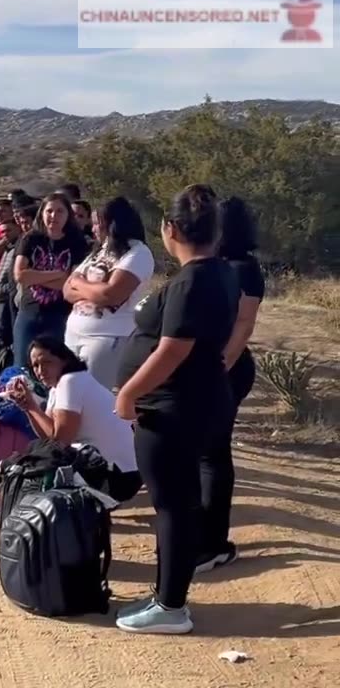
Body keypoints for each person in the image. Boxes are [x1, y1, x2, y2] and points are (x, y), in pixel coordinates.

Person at [114, 184, 239, 635]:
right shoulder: (220, 273)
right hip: (197, 400)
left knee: (172, 507)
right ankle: (168, 596)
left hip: (173, 408)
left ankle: (170, 606)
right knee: (179, 504)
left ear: (169, 229)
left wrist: (127, 393)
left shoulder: (191, 281)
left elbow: (171, 351)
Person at [200, 196, 265, 574]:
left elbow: (244, 325)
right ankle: (205, 534)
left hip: (227, 369)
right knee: (204, 453)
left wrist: (219, 367)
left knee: (213, 453)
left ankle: (215, 544)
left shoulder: (244, 269)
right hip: (209, 368)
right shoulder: (218, 265)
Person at [8, 335, 142, 503]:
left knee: (47, 464)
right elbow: (47, 439)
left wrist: (33, 407)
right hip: (116, 472)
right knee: (38, 450)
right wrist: (28, 407)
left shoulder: (71, 381)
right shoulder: (58, 387)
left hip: (118, 478)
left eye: (47, 362)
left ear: (64, 359)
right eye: (35, 365)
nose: (40, 371)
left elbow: (60, 441)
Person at [62, 197, 154, 390]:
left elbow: (111, 295)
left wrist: (80, 283)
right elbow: (67, 290)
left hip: (106, 340)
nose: (93, 229)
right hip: (74, 335)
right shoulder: (99, 251)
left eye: (97, 224)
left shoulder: (137, 253)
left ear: (111, 224)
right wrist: (92, 289)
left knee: (93, 399)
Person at [11, 193, 88, 371]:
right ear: (42, 214)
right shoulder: (30, 239)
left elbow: (72, 283)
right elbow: (20, 276)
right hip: (29, 312)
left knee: (55, 368)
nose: (54, 216)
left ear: (68, 215)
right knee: (22, 367)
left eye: (60, 211)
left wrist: (36, 277)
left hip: (59, 316)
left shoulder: (77, 242)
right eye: (49, 211)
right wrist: (59, 274)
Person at [0, 199, 37, 346]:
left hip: (26, 301)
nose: (25, 226)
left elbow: (21, 275)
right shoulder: (17, 243)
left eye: (27, 222)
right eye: (22, 222)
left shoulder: (35, 244)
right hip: (11, 296)